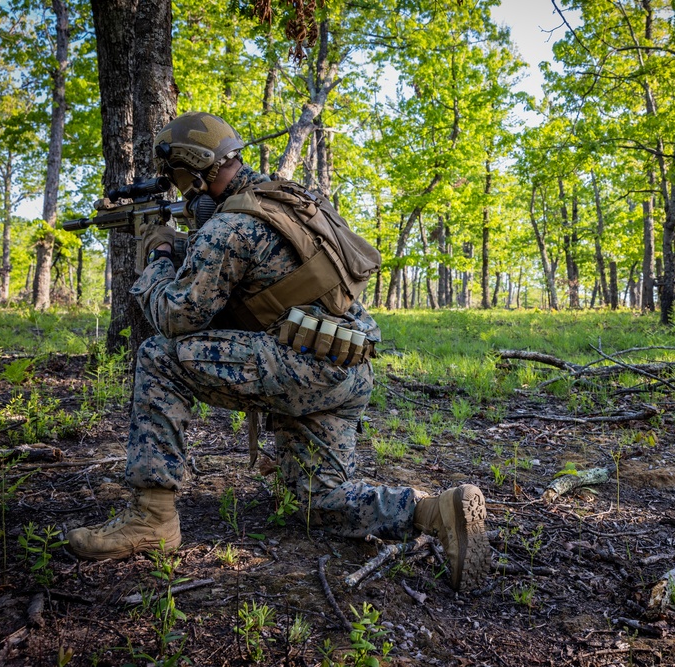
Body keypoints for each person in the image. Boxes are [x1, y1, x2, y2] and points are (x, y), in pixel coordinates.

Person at [65, 112, 489, 592]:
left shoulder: (229, 228)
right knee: (317, 499)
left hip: (297, 365)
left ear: (195, 169)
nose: (182, 191)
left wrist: (160, 258)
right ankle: (434, 509)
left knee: (159, 356)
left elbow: (179, 316)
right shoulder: (285, 198)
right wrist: (187, 244)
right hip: (345, 365)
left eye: (181, 180)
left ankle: (151, 518)